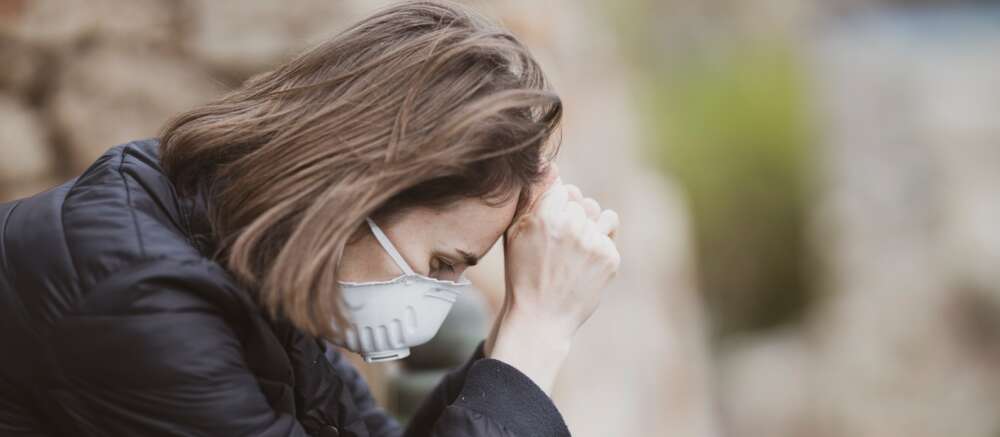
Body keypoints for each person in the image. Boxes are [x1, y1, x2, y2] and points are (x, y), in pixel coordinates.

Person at [0, 1, 620, 436]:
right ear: (360, 188)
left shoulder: (235, 261)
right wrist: (537, 337)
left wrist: (511, 338)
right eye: (441, 264)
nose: (442, 297)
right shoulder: (137, 294)